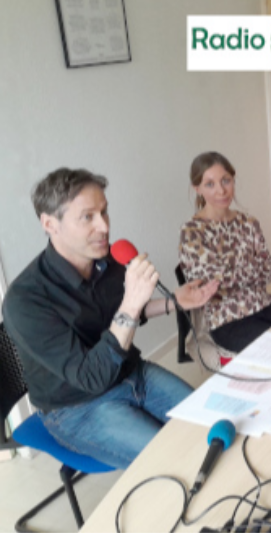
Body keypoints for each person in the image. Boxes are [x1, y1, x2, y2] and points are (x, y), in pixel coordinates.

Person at [2, 168, 219, 469]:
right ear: (50, 223)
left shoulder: (105, 262)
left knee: (213, 426)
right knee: (177, 460)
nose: (104, 226)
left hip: (132, 374)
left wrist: (174, 301)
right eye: (88, 217)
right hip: (78, 406)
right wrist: (131, 302)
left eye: (104, 212)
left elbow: (123, 315)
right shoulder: (25, 300)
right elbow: (93, 375)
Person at [180, 151, 271, 354]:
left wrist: (228, 272)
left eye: (226, 181)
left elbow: (267, 272)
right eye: (210, 184)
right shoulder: (192, 232)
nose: (221, 191)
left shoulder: (248, 222)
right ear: (197, 189)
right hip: (226, 318)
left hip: (263, 302)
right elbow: (210, 287)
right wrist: (251, 268)